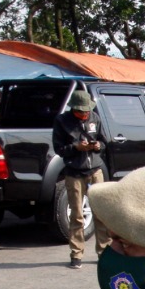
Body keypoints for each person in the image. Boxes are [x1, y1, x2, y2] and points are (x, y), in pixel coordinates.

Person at [53, 88, 108, 269]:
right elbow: (59, 149)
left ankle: (104, 252)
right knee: (77, 215)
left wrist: (97, 145)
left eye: (87, 111)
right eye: (81, 112)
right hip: (74, 173)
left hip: (95, 171)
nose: (85, 114)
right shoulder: (62, 121)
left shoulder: (94, 117)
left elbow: (104, 141)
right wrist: (76, 147)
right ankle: (76, 254)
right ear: (74, 109)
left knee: (101, 213)